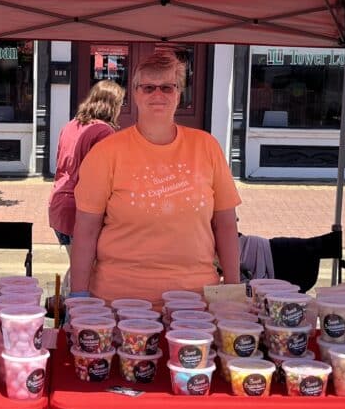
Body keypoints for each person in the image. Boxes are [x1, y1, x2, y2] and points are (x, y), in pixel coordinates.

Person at [69, 50, 241, 304]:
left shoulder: (207, 147)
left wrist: (233, 291)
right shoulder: (106, 153)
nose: (158, 95)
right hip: (119, 301)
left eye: (167, 88)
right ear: (135, 93)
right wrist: (78, 296)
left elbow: (225, 224)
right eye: (148, 87)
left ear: (179, 93)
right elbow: (86, 229)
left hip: (195, 304)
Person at [48, 80, 125, 291]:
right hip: (81, 208)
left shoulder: (70, 125)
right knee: (85, 270)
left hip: (58, 204)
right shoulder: (104, 132)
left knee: (78, 265)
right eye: (120, 103)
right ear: (112, 104)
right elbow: (103, 176)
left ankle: (65, 304)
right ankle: (70, 308)